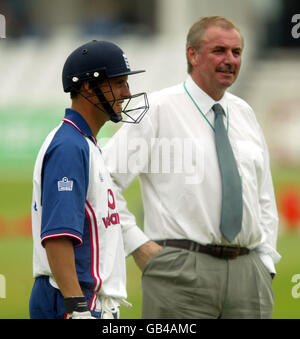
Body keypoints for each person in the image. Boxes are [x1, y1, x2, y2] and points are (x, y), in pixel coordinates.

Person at [102, 16, 281, 319]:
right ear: (193, 55)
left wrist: (265, 260)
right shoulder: (156, 110)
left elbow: (263, 196)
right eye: (219, 51)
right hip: (180, 272)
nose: (230, 60)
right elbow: (103, 179)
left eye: (236, 53)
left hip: (249, 275)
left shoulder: (244, 113)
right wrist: (138, 244)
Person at [29, 40, 149, 319]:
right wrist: (77, 308)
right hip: (71, 302)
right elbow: (58, 236)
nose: (127, 92)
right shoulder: (70, 147)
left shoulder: (85, 143)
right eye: (118, 83)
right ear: (87, 86)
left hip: (85, 300)